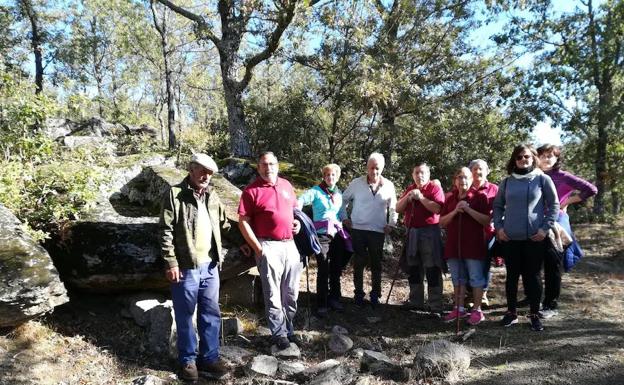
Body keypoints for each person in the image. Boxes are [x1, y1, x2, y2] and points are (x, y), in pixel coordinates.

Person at [159, 153, 233, 381]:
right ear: (191, 170)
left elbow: (225, 224)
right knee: (185, 315)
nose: (206, 176)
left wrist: (246, 243)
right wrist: (171, 262)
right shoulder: (175, 194)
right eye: (202, 170)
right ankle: (188, 361)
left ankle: (209, 358)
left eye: (209, 173)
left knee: (211, 313)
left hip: (210, 267)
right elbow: (165, 231)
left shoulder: (212, 196)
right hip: (186, 267)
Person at [237, 151, 302, 351]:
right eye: (264, 164)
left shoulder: (286, 185)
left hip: (290, 244)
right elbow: (243, 222)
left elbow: (294, 210)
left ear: (277, 165)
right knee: (273, 293)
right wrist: (258, 248)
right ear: (259, 167)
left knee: (291, 292)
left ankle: (289, 329)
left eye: (272, 163)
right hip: (268, 245)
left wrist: (297, 223)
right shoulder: (251, 191)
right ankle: (279, 333)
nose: (268, 167)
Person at [493, 144, 559, 331]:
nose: (523, 160)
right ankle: (511, 313)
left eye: (527, 157)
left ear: (533, 158)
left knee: (533, 276)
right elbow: (497, 206)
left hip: (535, 238)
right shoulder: (506, 182)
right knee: (512, 276)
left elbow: (554, 205)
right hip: (510, 238)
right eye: (519, 157)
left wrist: (545, 229)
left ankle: (534, 314)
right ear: (514, 160)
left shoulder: (542, 179)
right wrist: (499, 228)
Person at [537, 144, 597, 318]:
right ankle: (532, 298)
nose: (546, 159)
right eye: (543, 155)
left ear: (557, 159)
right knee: (533, 263)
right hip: (534, 223)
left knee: (552, 264)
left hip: (556, 223)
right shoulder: (533, 175)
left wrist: (568, 200)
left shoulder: (562, 176)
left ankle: (550, 305)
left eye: (551, 156)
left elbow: (591, 189)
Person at [341, 152, 397, 307]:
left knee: (376, 264)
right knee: (359, 263)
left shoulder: (388, 185)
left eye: (377, 168)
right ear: (367, 167)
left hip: (378, 230)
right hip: (358, 229)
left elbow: (394, 208)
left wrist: (391, 224)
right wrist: (344, 217)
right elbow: (343, 199)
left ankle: (375, 295)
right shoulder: (357, 183)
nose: (374, 171)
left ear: (382, 168)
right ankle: (358, 294)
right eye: (371, 167)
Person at [297, 163, 352, 315]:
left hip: (337, 235)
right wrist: (296, 211)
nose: (330, 177)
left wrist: (347, 221)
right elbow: (302, 199)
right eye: (327, 175)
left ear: (337, 176)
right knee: (323, 267)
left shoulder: (339, 194)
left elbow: (341, 213)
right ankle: (322, 302)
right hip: (321, 236)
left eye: (333, 175)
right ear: (324, 176)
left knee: (336, 267)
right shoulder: (316, 191)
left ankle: (334, 298)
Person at [439, 167, 491, 325]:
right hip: (454, 245)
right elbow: (441, 222)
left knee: (476, 278)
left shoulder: (480, 197)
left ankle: (477, 310)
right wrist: (455, 211)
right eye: (460, 177)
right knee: (457, 278)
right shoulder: (450, 198)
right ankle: (459, 308)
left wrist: (468, 209)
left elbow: (486, 221)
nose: (463, 180)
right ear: (455, 180)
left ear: (472, 179)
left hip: (473, 245)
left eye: (467, 177)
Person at [396, 162, 445, 314]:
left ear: (428, 174)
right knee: (414, 267)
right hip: (412, 232)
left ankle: (435, 304)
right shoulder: (410, 189)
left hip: (430, 232)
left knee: (432, 267)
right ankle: (416, 301)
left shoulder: (434, 188)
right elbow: (398, 208)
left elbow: (438, 208)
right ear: (413, 175)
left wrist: (421, 198)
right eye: (416, 172)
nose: (420, 175)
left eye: (422, 172)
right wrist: (408, 198)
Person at [468, 159, 499, 307]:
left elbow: (500, 210)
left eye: (481, 169)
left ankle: (483, 294)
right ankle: (470, 294)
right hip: (467, 232)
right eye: (474, 169)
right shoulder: (465, 188)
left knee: (484, 262)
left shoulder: (494, 189)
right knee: (468, 262)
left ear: (487, 171)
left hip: (487, 233)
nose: (477, 172)